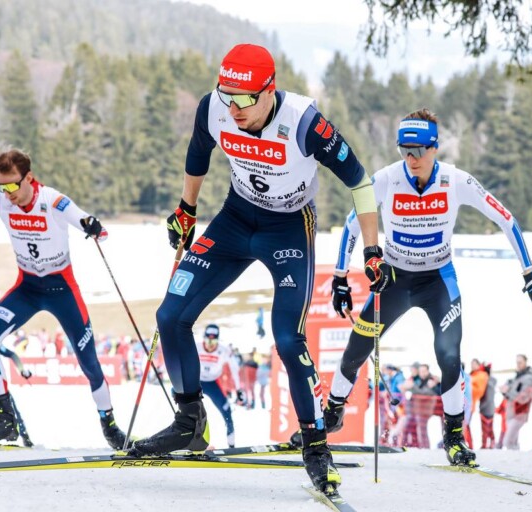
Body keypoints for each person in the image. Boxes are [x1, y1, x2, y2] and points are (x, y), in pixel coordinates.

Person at [128, 43, 392, 493]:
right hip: (234, 219)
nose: (233, 109)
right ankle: (189, 421)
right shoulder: (215, 107)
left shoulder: (306, 123)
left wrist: (372, 250)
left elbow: (361, 182)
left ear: (270, 91)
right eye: (227, 95)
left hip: (289, 229)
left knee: (288, 338)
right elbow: (198, 153)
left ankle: (314, 444)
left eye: (245, 99)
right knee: (170, 316)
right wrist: (186, 210)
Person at [322, 109, 532, 466]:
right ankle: (331, 414)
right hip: (395, 279)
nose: (411, 159)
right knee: (356, 350)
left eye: (418, 151)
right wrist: (339, 277)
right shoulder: (386, 179)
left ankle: (455, 436)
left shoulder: (456, 181)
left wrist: (530, 273)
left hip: (438, 280)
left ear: (435, 149)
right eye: (404, 150)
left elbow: (506, 219)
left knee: (448, 356)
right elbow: (353, 225)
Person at [0, 151, 126, 449]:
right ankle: (6, 421)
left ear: (29, 178)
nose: (7, 194)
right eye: (0, 186)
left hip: (61, 290)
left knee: (89, 362)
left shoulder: (52, 200)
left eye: (12, 186)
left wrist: (92, 225)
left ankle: (110, 426)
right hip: (27, 288)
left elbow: (95, 228)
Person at [189, 324, 243, 447]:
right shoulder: (196, 346)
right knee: (189, 410)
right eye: (208, 340)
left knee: (227, 411)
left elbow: (234, 369)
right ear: (204, 338)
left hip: (213, 383)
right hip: (196, 381)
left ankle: (231, 445)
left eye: (214, 341)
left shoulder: (224, 350)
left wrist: (238, 390)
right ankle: (188, 440)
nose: (210, 344)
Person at [499, 354, 532, 450]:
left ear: (525, 362)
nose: (518, 364)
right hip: (510, 412)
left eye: (520, 362)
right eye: (517, 362)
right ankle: (516, 460)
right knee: (513, 441)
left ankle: (514, 459)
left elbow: (524, 397)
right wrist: (505, 391)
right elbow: (507, 389)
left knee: (507, 441)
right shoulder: (516, 378)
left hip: (520, 413)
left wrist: (508, 392)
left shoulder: (528, 379)